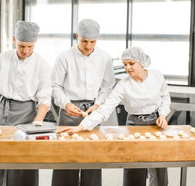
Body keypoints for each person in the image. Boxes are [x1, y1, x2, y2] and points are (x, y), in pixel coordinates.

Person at [59, 46, 171, 186]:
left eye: (131, 63)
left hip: (156, 124)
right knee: (134, 165)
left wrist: (162, 115)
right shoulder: (123, 85)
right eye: (125, 64)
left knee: (159, 162)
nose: (127, 68)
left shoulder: (157, 75)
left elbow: (165, 97)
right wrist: (81, 126)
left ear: (141, 62)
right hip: (134, 124)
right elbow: (105, 110)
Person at [0, 20, 52, 186]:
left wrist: (38, 121)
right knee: (2, 153)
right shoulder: (2, 59)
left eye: (30, 47)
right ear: (13, 40)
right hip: (3, 110)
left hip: (28, 112)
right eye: (21, 46)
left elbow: (45, 97)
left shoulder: (42, 65)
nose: (25, 51)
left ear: (35, 43)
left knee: (25, 156)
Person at [51, 19, 116, 186]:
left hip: (93, 112)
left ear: (98, 38)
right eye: (84, 41)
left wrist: (98, 104)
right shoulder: (64, 57)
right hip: (69, 111)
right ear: (77, 36)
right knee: (66, 157)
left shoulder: (106, 58)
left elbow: (108, 87)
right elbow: (55, 86)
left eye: (92, 42)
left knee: (92, 157)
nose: (88, 46)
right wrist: (66, 104)